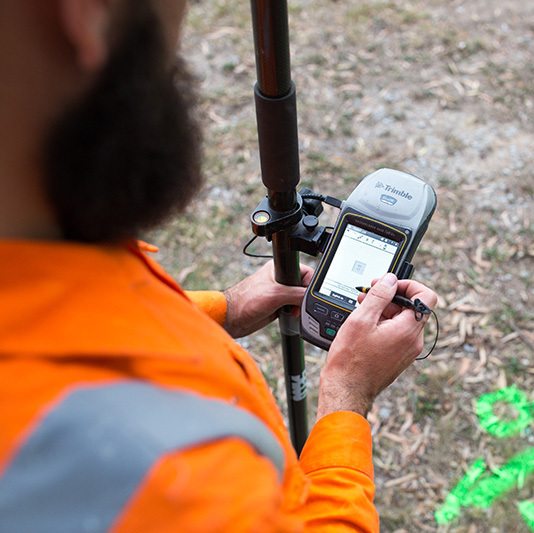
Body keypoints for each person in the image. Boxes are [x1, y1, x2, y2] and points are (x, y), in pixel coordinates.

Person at [0, 1, 437, 531]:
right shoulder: (163, 469)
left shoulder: (35, 254)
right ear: (91, 13)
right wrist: (347, 395)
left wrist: (223, 310)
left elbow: (66, 317)